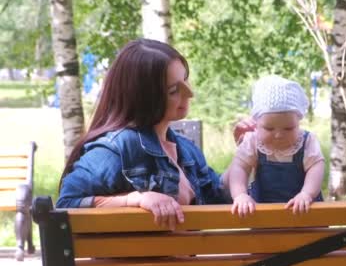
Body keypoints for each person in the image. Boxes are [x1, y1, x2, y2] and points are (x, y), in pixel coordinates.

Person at [56, 39, 228, 230]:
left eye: (186, 79)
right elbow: (65, 206)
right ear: (144, 97)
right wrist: (135, 199)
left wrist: (251, 149)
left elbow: (220, 195)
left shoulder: (186, 150)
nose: (189, 94)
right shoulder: (117, 149)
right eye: (173, 90)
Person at [228, 75, 325, 216]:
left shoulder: (307, 142)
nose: (278, 135)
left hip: (304, 213)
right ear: (256, 123)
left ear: (298, 122)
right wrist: (240, 195)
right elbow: (239, 167)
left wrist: (306, 194)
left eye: (288, 128)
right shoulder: (253, 141)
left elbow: (316, 166)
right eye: (269, 129)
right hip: (264, 214)